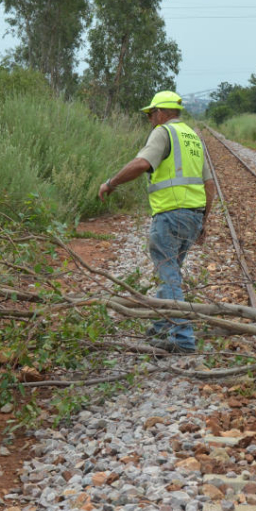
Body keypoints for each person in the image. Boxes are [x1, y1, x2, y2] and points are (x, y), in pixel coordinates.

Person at [97, 91, 215, 353]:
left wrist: (111, 183)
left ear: (161, 113)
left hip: (170, 214)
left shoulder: (164, 132)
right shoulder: (193, 137)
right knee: (170, 271)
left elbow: (142, 163)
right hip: (193, 215)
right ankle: (162, 326)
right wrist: (203, 221)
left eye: (151, 114)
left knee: (168, 273)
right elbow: (209, 184)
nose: (150, 119)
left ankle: (182, 338)